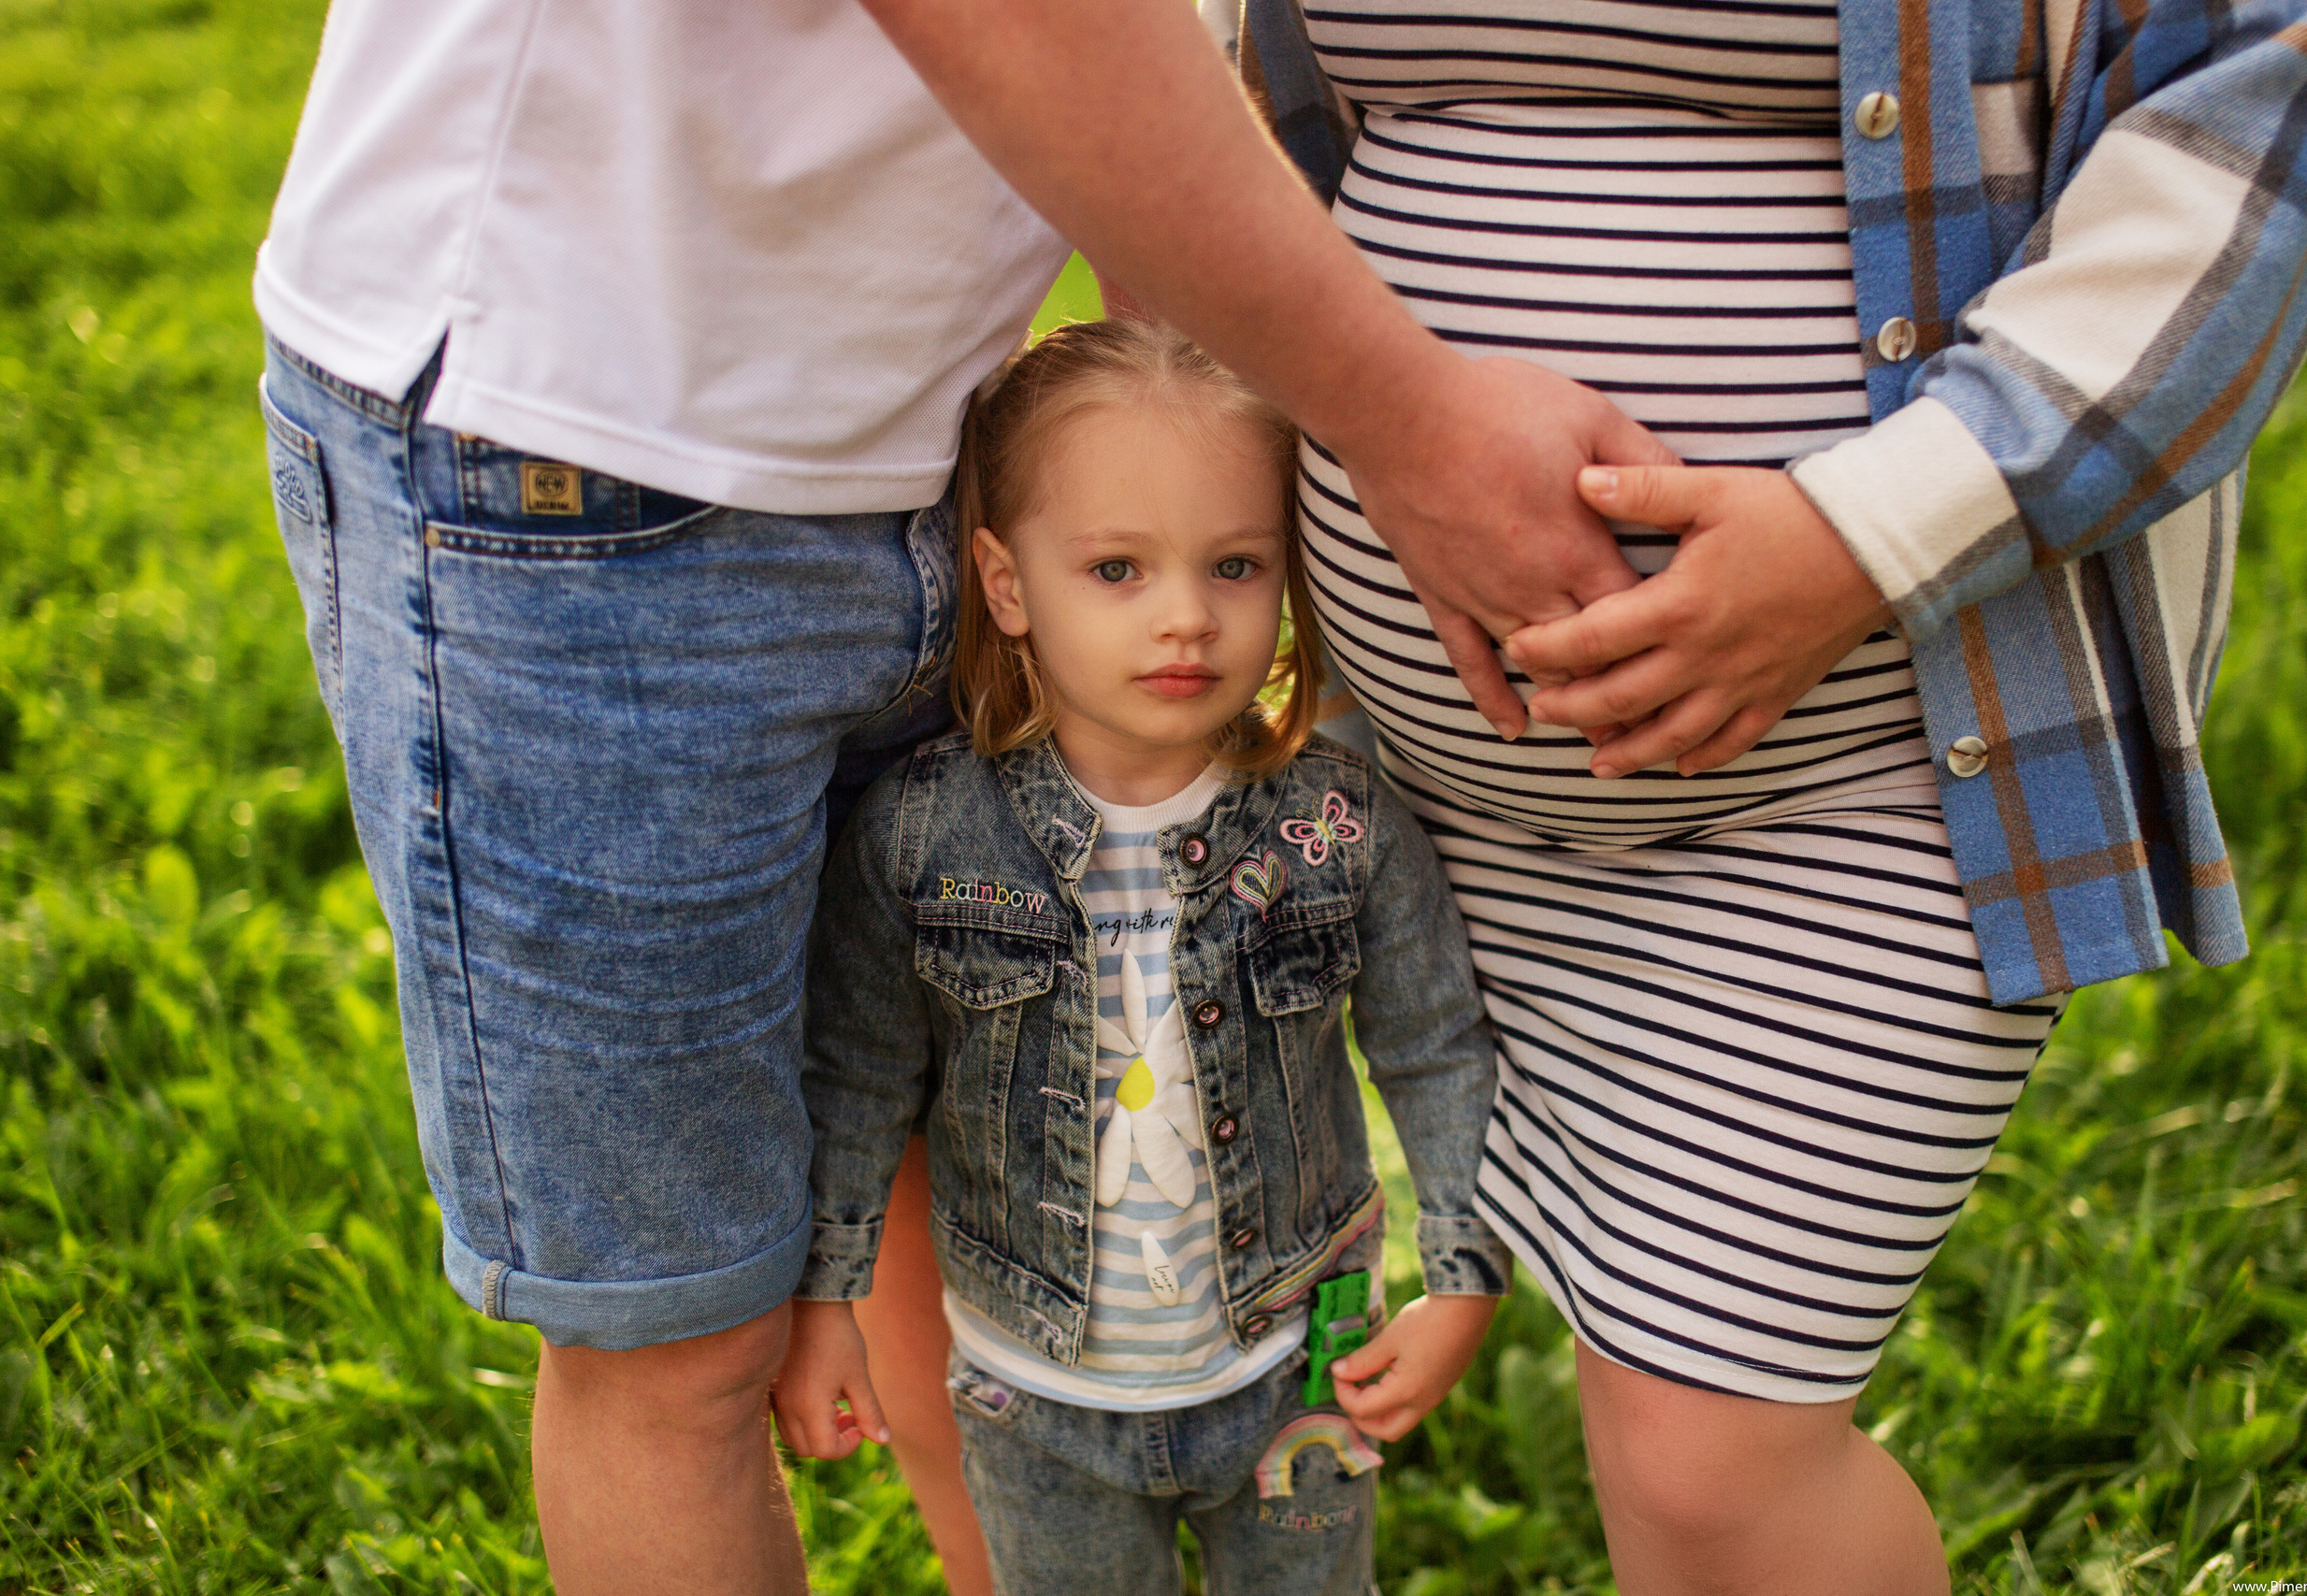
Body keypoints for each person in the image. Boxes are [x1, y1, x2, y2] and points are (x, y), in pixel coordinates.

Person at [251, 1, 1670, 1589]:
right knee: (682, 1349)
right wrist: (1404, 422)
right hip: (571, 449)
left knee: (972, 1208)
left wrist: (1186, 414)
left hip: (929, 451)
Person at [1225, 0, 2307, 1587]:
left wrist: (1861, 536)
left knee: (1713, 1456)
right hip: (1431, 798)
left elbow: (2231, 162)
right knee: (1645, 1408)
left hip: (1889, 752)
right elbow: (1248, 125)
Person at [774, 318, 1512, 1595]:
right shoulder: (922, 838)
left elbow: (1436, 1047)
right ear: (1007, 585)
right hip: (1032, 1395)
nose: (1185, 619)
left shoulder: (1336, 825)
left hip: (1295, 1369)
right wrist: (826, 1301)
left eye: (1234, 566)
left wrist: (1463, 1273)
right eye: (1117, 570)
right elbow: (856, 1081)